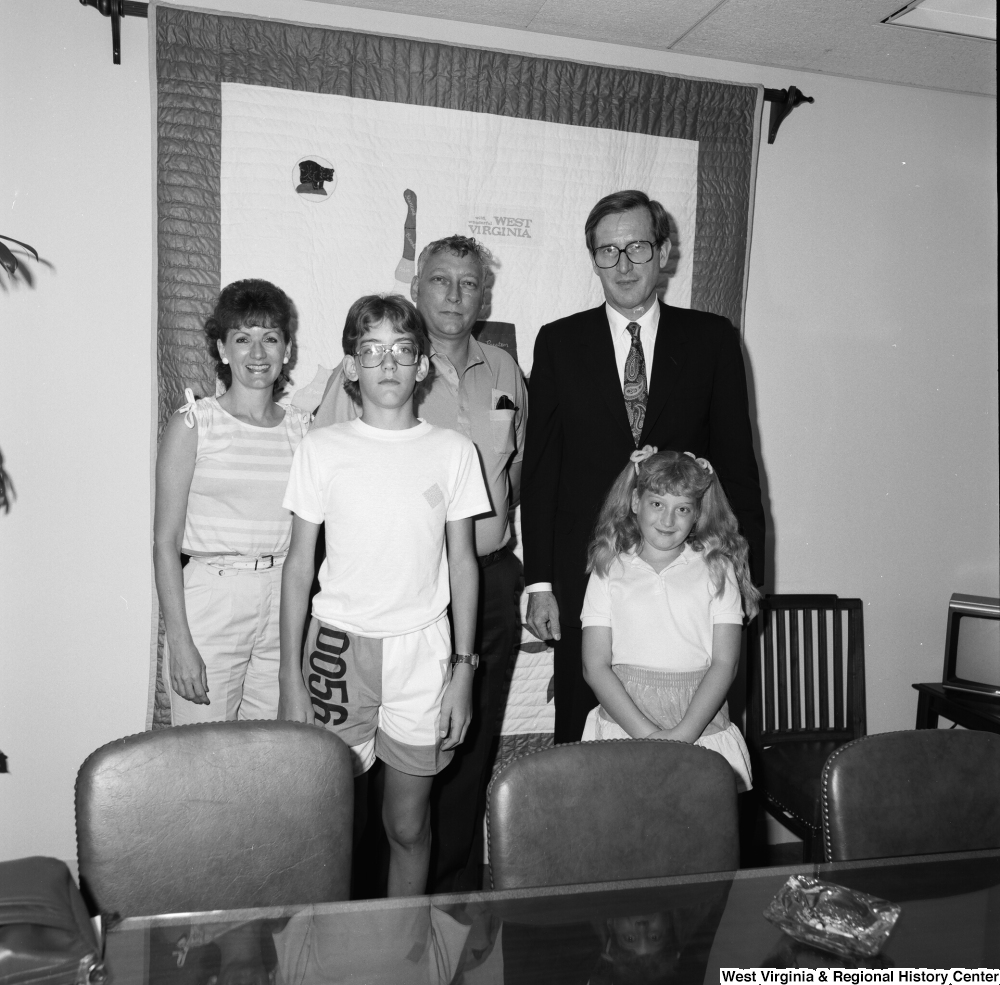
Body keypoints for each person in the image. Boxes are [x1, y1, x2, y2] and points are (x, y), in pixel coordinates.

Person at [313, 235, 527, 893]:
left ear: (483, 295)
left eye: (468, 283)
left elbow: (520, 471)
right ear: (418, 289)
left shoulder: (507, 370)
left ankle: (448, 899)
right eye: (440, 280)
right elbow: (326, 491)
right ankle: (368, 901)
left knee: (463, 747)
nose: (455, 295)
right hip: (397, 593)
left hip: (485, 581)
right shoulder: (388, 368)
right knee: (366, 774)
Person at [521, 189, 765, 743]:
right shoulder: (559, 342)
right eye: (608, 251)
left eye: (636, 247)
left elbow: (739, 470)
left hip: (691, 583)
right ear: (594, 260)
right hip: (590, 575)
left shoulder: (712, 340)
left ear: (664, 252)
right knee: (588, 750)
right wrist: (539, 582)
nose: (623, 264)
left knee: (693, 754)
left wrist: (748, 576)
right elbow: (541, 474)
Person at [279, 294, 491, 897]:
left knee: (407, 823)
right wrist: (291, 678)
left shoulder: (453, 452)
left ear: (423, 364)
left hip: (423, 654)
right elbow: (299, 567)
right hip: (337, 651)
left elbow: (464, 564)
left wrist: (464, 669)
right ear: (351, 366)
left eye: (402, 350)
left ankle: (403, 948)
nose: (388, 363)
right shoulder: (321, 449)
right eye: (371, 350)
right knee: (329, 828)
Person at [153, 278, 310, 725]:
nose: (257, 354)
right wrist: (180, 641)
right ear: (222, 350)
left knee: (268, 753)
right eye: (243, 339)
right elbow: (164, 542)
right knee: (203, 757)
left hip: (285, 598)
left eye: (270, 339)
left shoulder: (304, 431)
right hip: (211, 599)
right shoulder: (194, 423)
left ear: (287, 350)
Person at [580, 447, 759, 793]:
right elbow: (595, 665)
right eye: (657, 504)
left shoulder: (717, 569)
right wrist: (648, 736)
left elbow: (726, 663)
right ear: (636, 501)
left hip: (698, 722)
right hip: (626, 719)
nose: (667, 520)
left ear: (697, 514)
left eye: (683, 509)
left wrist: (682, 737)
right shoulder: (609, 568)